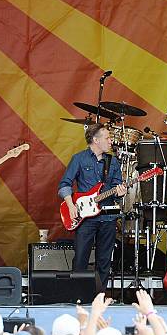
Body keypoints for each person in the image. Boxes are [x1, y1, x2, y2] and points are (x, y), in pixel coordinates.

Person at [58, 123, 127, 291]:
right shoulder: (79, 159)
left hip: (107, 216)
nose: (111, 141)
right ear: (95, 140)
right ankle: (77, 295)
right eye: (107, 138)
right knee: (81, 257)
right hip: (85, 217)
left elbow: (117, 188)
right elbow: (64, 184)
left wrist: (121, 191)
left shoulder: (113, 162)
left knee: (104, 260)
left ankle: (100, 296)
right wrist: (70, 205)